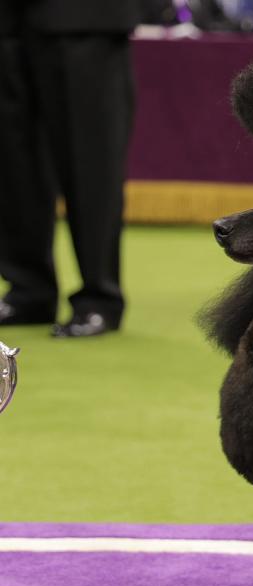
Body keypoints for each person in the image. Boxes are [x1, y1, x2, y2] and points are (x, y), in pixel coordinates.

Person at [0, 0, 138, 337]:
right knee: (12, 157)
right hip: (8, 17)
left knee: (90, 155)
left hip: (83, 12)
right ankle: (28, 290)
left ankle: (98, 295)